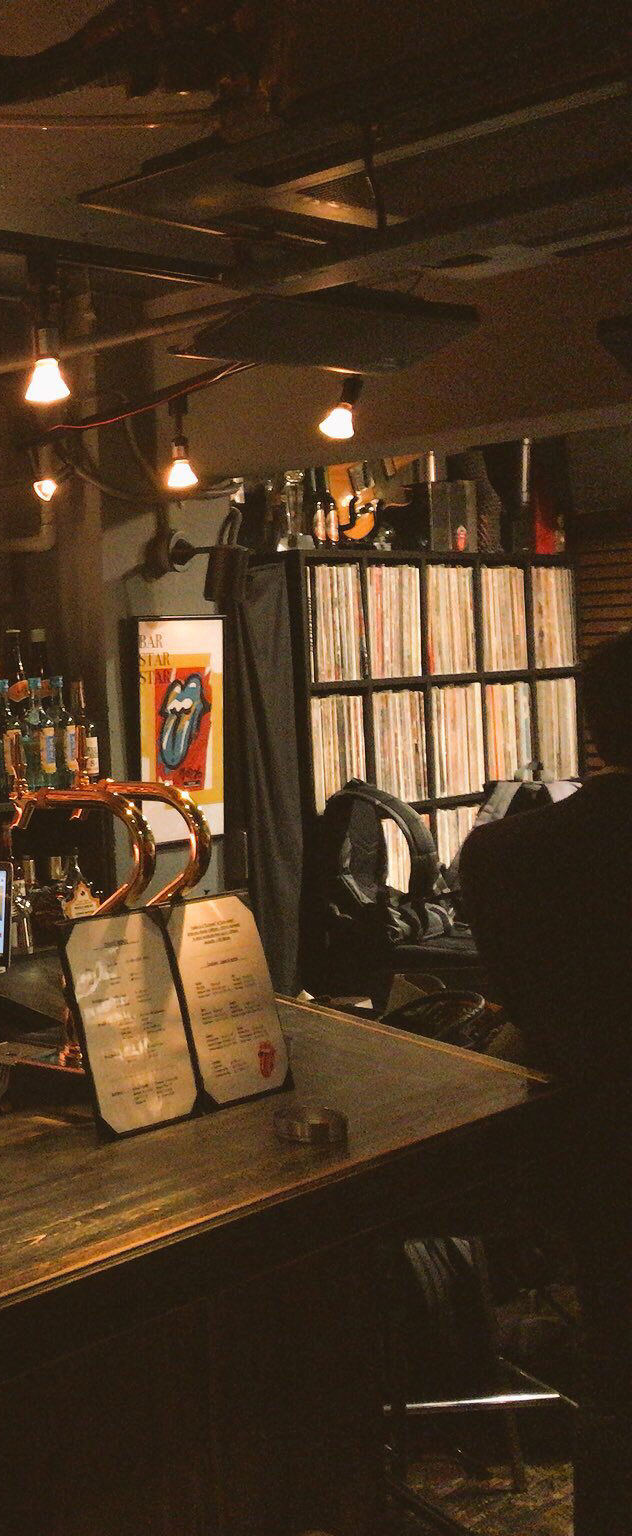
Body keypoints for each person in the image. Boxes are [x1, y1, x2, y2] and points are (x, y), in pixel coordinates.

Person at [458, 626, 632, 1533]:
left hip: (594, 1151)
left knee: (617, 1371)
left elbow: (522, 1003)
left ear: (595, 729)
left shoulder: (504, 856)